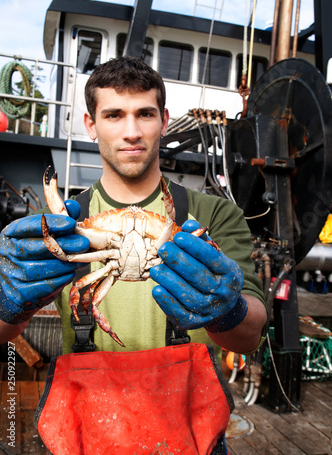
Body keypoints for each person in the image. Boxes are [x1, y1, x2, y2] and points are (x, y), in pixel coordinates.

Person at [0, 56, 267, 452]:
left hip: (191, 436)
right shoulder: (61, 230)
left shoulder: (213, 215)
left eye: (144, 113)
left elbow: (250, 337)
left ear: (163, 120)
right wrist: (9, 306)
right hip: (89, 433)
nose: (131, 131)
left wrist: (230, 310)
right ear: (91, 125)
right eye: (113, 115)